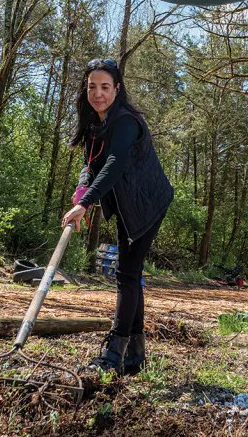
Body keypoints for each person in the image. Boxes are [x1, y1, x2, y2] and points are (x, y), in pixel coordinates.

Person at [61, 58, 174, 376]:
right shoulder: (95, 123)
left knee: (127, 274)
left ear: (117, 89)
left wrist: (87, 204)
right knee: (130, 273)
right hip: (127, 203)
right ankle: (134, 357)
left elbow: (114, 162)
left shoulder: (125, 122)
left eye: (105, 87)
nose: (98, 93)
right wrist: (83, 190)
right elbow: (91, 163)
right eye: (92, 87)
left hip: (148, 202)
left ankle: (114, 353)